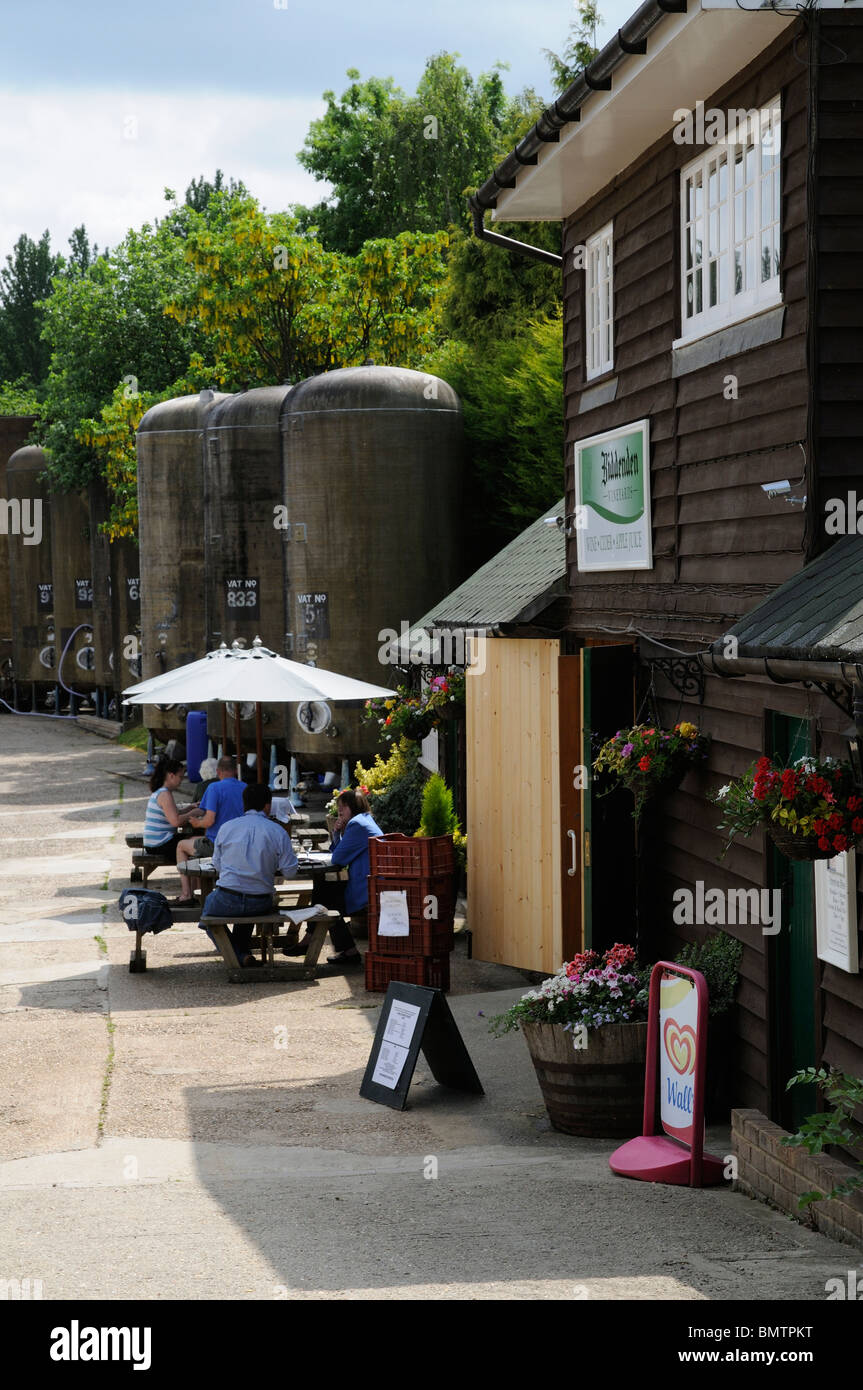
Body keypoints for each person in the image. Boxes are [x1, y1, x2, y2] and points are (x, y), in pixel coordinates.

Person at [200, 781, 298, 967]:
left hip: (228, 898)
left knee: (207, 915)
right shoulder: (277, 831)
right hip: (261, 900)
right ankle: (242, 955)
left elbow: (218, 866)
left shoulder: (226, 827)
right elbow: (290, 872)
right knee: (248, 908)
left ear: (244, 804)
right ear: (268, 806)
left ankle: (237, 955)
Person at [285, 788, 381, 967]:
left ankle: (316, 942)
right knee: (324, 890)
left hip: (366, 888)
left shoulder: (357, 825)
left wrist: (338, 834)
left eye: (343, 807)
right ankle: (338, 948)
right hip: (369, 882)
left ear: (354, 806)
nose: (339, 811)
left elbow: (338, 858)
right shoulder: (364, 820)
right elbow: (340, 854)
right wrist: (336, 834)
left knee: (326, 901)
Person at [171, 755, 246, 905]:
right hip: (240, 844)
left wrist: (197, 824)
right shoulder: (245, 787)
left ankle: (186, 895)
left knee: (181, 846)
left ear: (218, 772)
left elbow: (209, 819)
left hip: (217, 846)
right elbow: (202, 809)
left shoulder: (214, 788)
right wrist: (192, 813)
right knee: (193, 842)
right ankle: (198, 888)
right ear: (235, 772)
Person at [143, 757, 198, 859]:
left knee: (193, 840)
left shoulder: (160, 791)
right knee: (197, 843)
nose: (181, 780)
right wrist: (194, 813)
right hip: (160, 844)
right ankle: (191, 872)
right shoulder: (165, 794)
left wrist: (190, 808)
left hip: (154, 843)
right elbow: (176, 821)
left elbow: (173, 813)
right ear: (171, 776)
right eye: (180, 777)